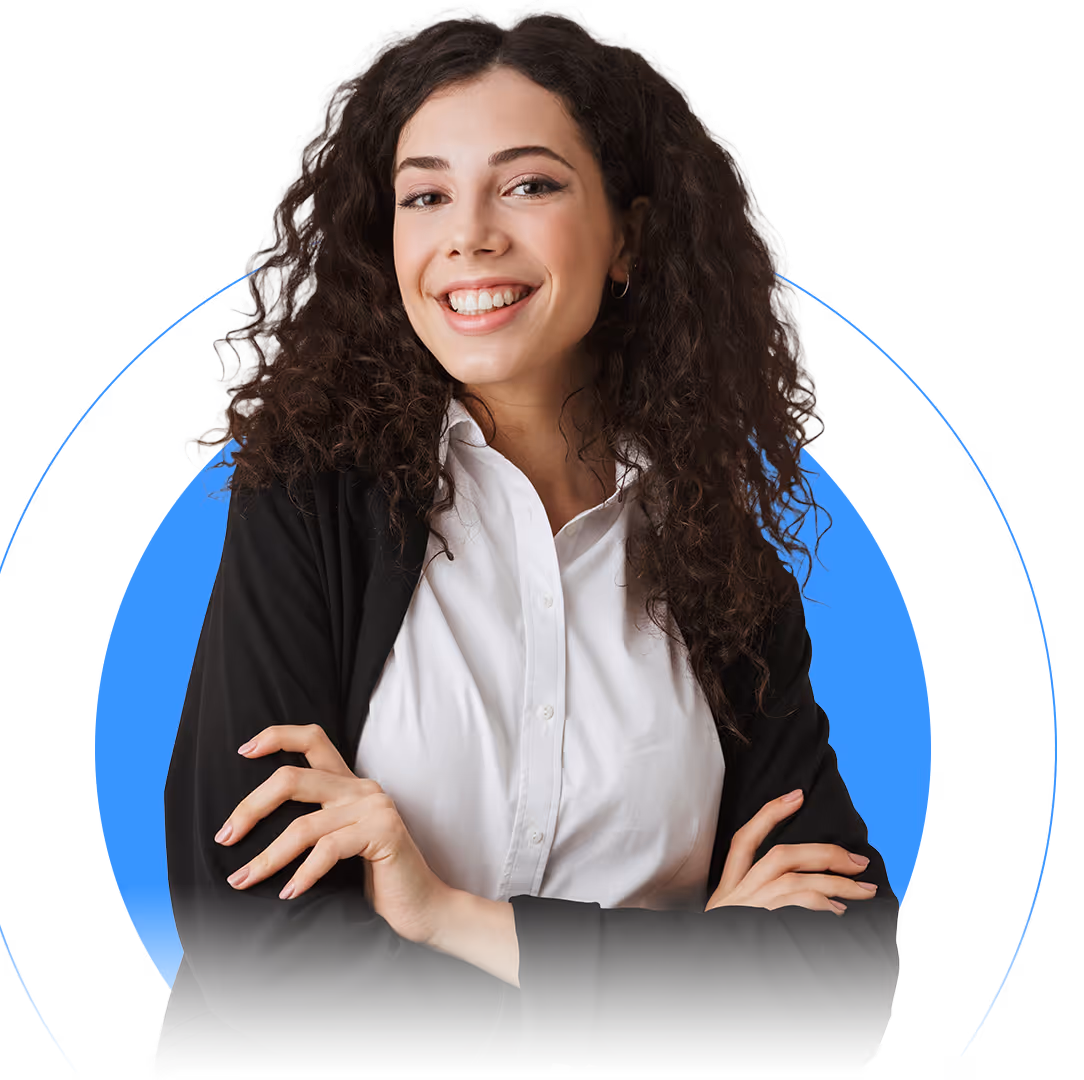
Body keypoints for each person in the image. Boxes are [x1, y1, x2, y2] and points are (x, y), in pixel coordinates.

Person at [154, 5, 896, 1078]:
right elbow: (261, 949)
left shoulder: (721, 573)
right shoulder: (308, 501)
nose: (468, 234)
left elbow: (830, 991)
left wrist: (447, 915)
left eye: (528, 184)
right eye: (424, 194)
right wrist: (660, 988)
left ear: (628, 236)